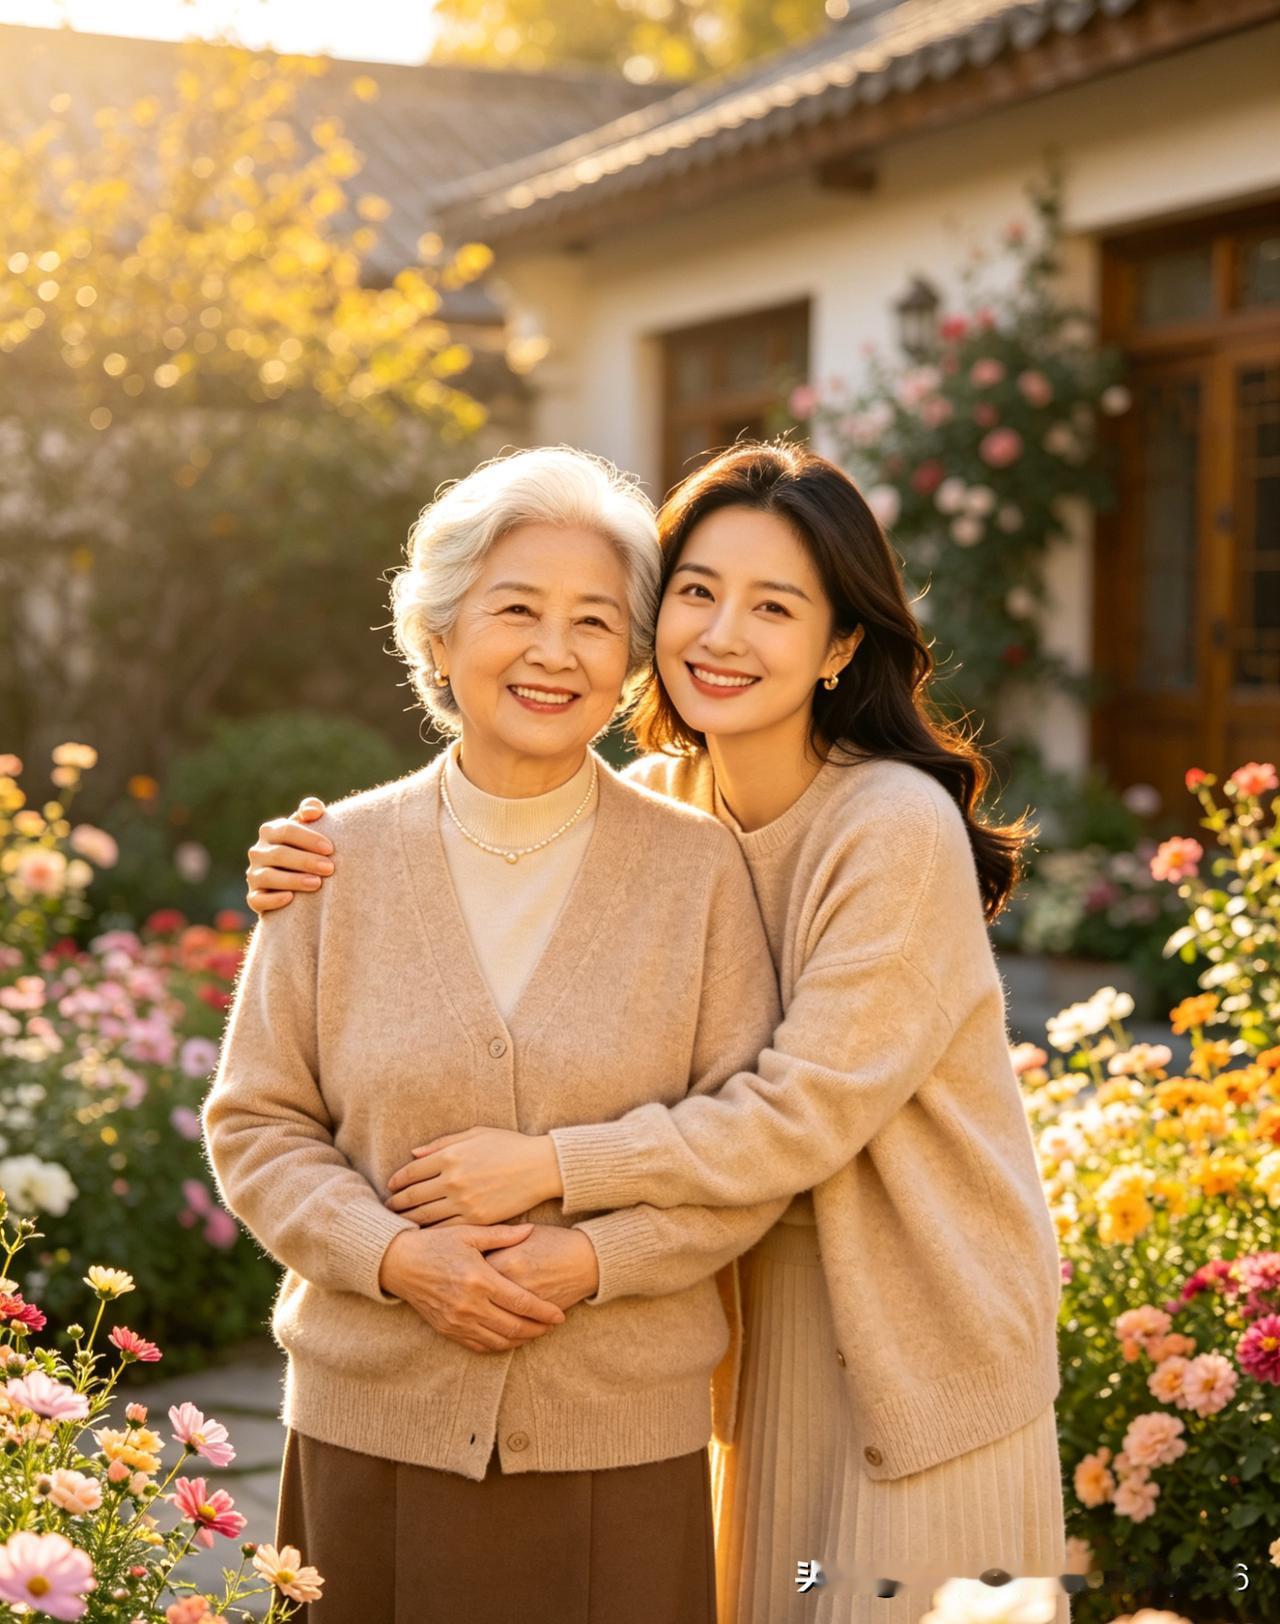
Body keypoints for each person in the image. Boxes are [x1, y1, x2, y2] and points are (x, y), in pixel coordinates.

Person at [245, 441, 1070, 1624]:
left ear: (840, 645)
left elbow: (796, 1110)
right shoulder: (673, 814)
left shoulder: (888, 827)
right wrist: (318, 872)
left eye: (773, 606)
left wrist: (553, 1175)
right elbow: (490, 832)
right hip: (756, 1335)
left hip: (913, 1335)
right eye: (696, 592)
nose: (719, 635)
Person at [205, 445, 800, 1624]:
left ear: (630, 661)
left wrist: (593, 1259)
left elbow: (745, 1151)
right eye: (515, 608)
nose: (552, 650)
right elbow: (259, 1124)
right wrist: (393, 1255)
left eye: (594, 620)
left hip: (617, 1442)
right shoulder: (334, 861)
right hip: (372, 1432)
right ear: (438, 636)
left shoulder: (697, 875)